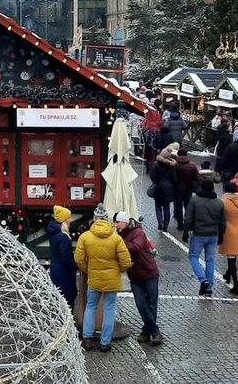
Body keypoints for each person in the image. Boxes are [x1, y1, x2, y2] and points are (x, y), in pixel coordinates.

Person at [75, 205, 132, 352]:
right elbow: (126, 261)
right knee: (109, 309)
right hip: (112, 280)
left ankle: (87, 339)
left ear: (93, 219)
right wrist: (118, 270)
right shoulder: (116, 238)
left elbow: (79, 259)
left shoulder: (85, 237)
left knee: (91, 307)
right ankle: (105, 343)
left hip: (94, 279)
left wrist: (88, 269)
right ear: (107, 220)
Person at [116, 211, 162, 345]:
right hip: (135, 275)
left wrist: (119, 240)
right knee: (141, 304)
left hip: (149, 272)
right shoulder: (121, 234)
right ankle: (154, 331)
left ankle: (147, 332)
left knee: (151, 304)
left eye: (118, 222)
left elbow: (135, 248)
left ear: (124, 222)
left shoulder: (138, 232)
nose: (116, 225)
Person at [183, 180, 226, 296]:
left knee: (193, 257)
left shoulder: (195, 200)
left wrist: (185, 232)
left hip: (198, 234)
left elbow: (188, 218)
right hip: (213, 235)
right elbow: (223, 221)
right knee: (210, 260)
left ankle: (203, 279)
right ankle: (209, 288)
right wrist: (221, 234)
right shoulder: (219, 202)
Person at [46, 206, 77, 315]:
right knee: (68, 303)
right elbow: (66, 257)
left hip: (56, 271)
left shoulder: (53, 233)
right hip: (65, 275)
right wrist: (75, 267)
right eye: (69, 217)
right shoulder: (63, 237)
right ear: (64, 219)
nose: (71, 220)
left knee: (58, 303)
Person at [149, 146, 177, 231]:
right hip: (169, 188)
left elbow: (152, 176)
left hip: (158, 187)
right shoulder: (172, 166)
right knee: (166, 206)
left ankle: (160, 222)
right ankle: (166, 224)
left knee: (158, 205)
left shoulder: (156, 164)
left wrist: (156, 182)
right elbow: (175, 178)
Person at [172, 149, 199, 230]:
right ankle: (188, 223)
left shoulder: (175, 165)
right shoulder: (192, 165)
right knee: (187, 207)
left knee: (178, 207)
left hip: (177, 189)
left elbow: (173, 177)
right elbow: (197, 178)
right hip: (188, 189)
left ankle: (180, 224)